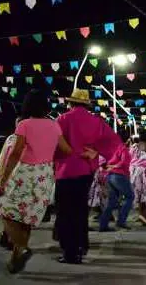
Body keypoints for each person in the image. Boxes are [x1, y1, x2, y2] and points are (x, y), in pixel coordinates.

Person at [0, 90, 77, 273]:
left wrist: (3, 179)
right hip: (45, 175)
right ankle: (18, 252)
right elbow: (66, 150)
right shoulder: (53, 125)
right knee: (27, 217)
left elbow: (15, 154)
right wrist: (49, 155)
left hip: (25, 173)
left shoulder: (24, 124)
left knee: (5, 210)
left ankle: (19, 247)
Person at [54, 89, 120, 264]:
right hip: (85, 170)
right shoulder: (96, 121)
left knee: (66, 212)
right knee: (80, 210)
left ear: (71, 103)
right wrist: (97, 152)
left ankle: (70, 251)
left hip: (65, 171)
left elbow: (55, 145)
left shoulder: (62, 119)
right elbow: (115, 142)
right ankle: (81, 247)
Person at [99, 130, 134, 231]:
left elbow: (106, 161)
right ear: (128, 139)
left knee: (112, 201)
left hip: (110, 176)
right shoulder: (123, 148)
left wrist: (110, 166)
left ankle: (103, 225)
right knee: (130, 196)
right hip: (119, 175)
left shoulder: (113, 148)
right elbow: (123, 163)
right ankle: (121, 221)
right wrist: (114, 166)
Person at [0, 117, 22, 251]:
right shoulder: (20, 139)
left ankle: (7, 235)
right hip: (18, 176)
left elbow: (1, 160)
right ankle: (10, 236)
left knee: (8, 208)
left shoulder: (11, 138)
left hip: (7, 176)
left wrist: (0, 175)